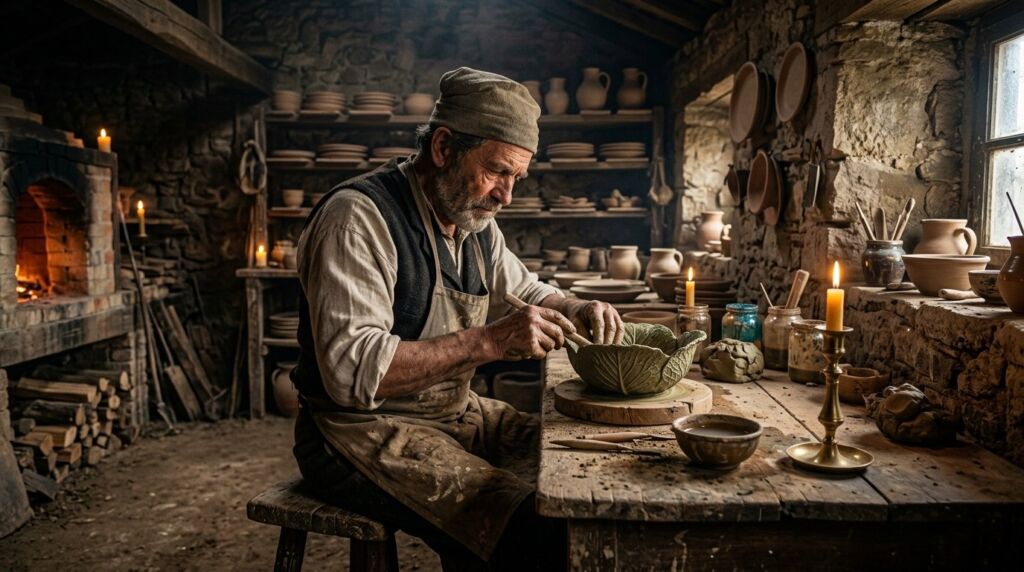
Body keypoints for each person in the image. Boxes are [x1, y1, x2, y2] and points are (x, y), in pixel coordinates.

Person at [291, 67, 624, 570]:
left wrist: (577, 307)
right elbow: (350, 374)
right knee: (526, 527)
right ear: (443, 148)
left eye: (517, 178)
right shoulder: (359, 218)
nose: (506, 196)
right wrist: (488, 342)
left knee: (576, 466)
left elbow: (525, 290)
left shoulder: (475, 225)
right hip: (356, 430)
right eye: (496, 171)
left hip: (450, 412)